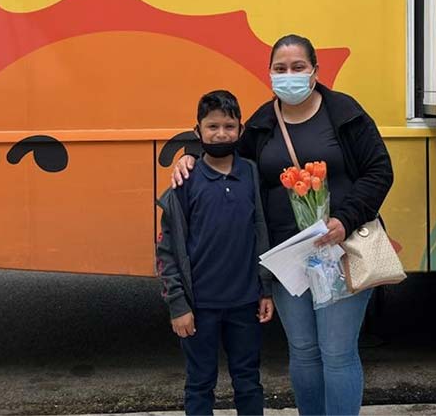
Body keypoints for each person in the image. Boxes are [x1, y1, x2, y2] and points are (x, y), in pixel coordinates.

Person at [171, 34, 394, 416]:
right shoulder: (260, 124)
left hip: (342, 250)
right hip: (288, 259)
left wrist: (345, 218)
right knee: (304, 351)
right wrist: (188, 159)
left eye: (297, 67)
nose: (288, 75)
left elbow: (379, 171)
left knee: (337, 352)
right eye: (280, 69)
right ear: (270, 73)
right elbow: (226, 160)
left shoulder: (344, 113)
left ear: (315, 71)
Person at [156, 90, 275, 416]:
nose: (221, 134)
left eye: (229, 126)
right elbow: (166, 250)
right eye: (212, 127)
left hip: (245, 304)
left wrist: (265, 289)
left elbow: (261, 231)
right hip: (200, 308)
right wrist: (178, 305)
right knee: (199, 384)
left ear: (239, 130)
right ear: (198, 132)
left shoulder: (251, 173)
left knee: (249, 382)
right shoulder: (185, 181)